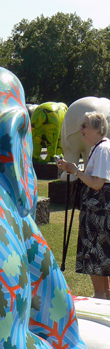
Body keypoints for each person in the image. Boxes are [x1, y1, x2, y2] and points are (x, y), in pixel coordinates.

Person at [57, 111, 110, 299]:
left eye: (85, 125)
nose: (81, 130)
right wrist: (73, 169)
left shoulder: (103, 149)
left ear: (97, 129)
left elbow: (97, 183)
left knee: (96, 254)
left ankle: (100, 295)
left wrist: (76, 171)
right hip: (98, 210)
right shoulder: (99, 148)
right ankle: (104, 295)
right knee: (100, 255)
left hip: (99, 211)